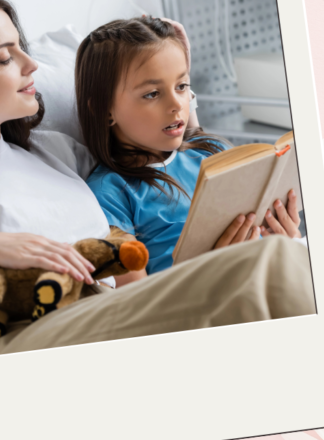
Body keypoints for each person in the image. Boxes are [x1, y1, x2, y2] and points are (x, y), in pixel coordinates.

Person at [0, 0, 315, 366]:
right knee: (274, 267)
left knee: (288, 260)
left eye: (23, 48)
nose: (31, 64)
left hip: (106, 306)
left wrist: (180, 71)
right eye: (5, 57)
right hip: (12, 334)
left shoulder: (52, 152)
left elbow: (154, 140)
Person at [77, 17, 302, 275]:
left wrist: (283, 235)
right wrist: (213, 269)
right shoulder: (112, 192)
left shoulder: (210, 151)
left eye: (182, 86)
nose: (177, 105)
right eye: (152, 93)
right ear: (105, 110)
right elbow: (134, 302)